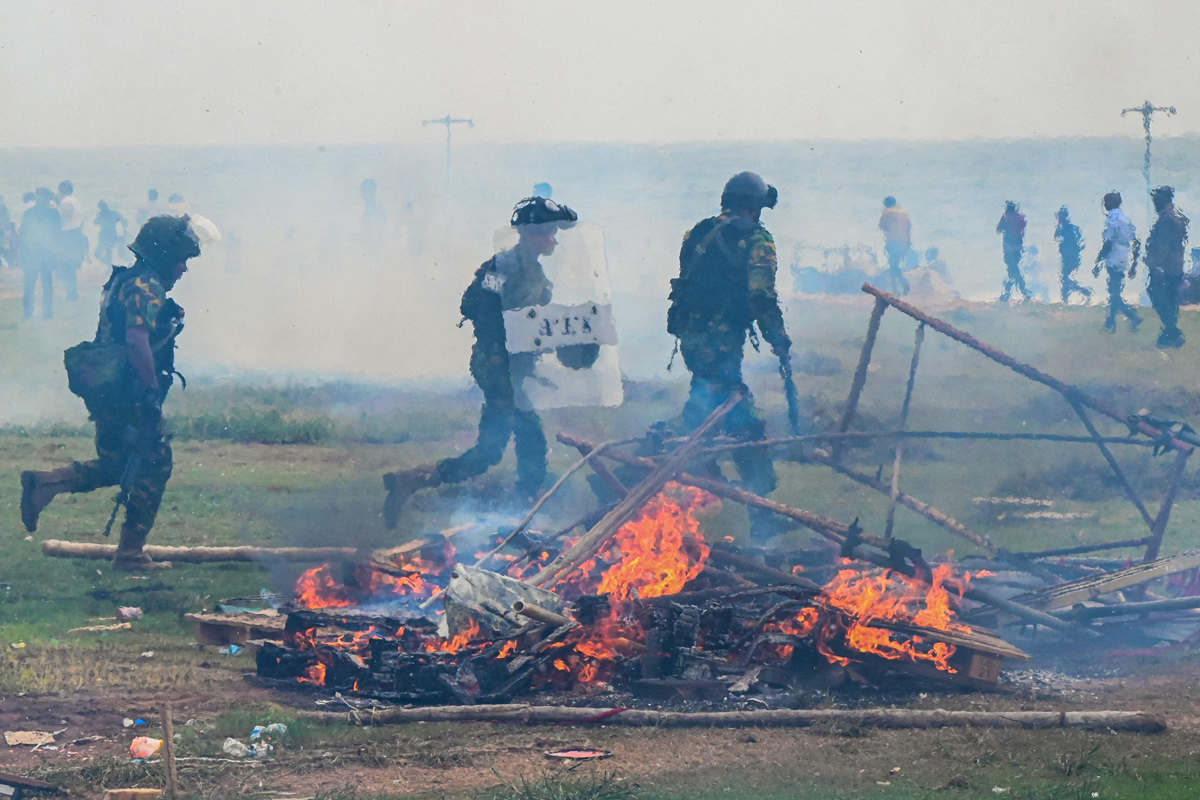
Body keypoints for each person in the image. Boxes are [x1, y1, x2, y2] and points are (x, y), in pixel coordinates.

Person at [19, 215, 201, 571]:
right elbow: (137, 341)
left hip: (112, 389)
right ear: (163, 254)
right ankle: (130, 554)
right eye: (180, 258)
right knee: (154, 462)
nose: (183, 268)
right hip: (128, 391)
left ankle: (46, 483)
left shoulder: (127, 281)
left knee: (120, 463)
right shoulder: (144, 287)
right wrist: (149, 393)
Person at [381, 196, 577, 526]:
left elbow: (535, 323)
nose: (553, 239)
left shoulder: (536, 274)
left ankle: (413, 480)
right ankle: (525, 504)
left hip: (516, 368)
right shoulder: (502, 267)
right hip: (497, 364)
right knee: (517, 438)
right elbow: (474, 305)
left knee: (502, 447)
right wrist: (506, 332)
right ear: (532, 234)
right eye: (549, 232)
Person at [667, 172, 792, 542]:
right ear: (753, 206)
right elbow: (761, 297)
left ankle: (682, 467)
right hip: (721, 343)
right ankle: (761, 514)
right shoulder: (757, 239)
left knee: (707, 405)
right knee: (741, 422)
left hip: (691, 338)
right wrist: (778, 338)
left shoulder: (698, 232)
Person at [1144, 186, 1189, 348]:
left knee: (1158, 296)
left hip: (1165, 268)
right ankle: (1171, 335)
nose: (1155, 203)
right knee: (1170, 300)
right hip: (1176, 266)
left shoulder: (1166, 221)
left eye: (1157, 200)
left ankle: (1172, 332)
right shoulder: (1177, 218)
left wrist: (1156, 266)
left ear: (1164, 200)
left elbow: (1163, 247)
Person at [1092, 191, 1142, 333]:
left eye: (1106, 201)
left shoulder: (1112, 218)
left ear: (1112, 203)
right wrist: (1134, 263)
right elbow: (1136, 241)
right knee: (1115, 289)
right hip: (1124, 256)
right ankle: (1111, 321)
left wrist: (1099, 260)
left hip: (1114, 256)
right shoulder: (1126, 217)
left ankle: (1131, 316)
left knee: (1114, 291)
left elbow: (1108, 242)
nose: (1105, 204)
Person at [18, 188, 62, 319]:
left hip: (35, 252)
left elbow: (23, 233)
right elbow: (57, 234)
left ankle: (30, 312)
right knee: (45, 283)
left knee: (32, 283)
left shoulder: (29, 213)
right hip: (43, 253)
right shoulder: (54, 214)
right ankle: (46, 312)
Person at [56, 180, 87, 300]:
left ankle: (71, 292)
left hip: (67, 234)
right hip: (77, 232)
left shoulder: (65, 202)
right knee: (71, 265)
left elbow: (62, 218)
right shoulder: (76, 201)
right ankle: (72, 291)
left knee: (65, 264)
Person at [996, 201, 1033, 302]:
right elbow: (1023, 229)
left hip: (1008, 245)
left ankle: (1022, 292)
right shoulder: (1020, 218)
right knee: (1014, 268)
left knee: (1013, 268)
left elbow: (999, 229)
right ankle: (1009, 292)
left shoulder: (1006, 217)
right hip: (1018, 245)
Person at [1054, 206, 1091, 304]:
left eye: (1060, 217)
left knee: (1066, 278)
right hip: (1071, 256)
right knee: (1065, 278)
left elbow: (1057, 237)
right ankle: (1066, 298)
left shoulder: (1067, 228)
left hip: (1069, 257)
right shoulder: (1072, 227)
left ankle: (1084, 291)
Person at [878, 196, 912, 295]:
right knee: (895, 265)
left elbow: (882, 226)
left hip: (892, 241)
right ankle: (899, 286)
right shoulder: (904, 213)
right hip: (904, 242)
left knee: (893, 265)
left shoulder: (887, 213)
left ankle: (899, 287)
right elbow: (908, 228)